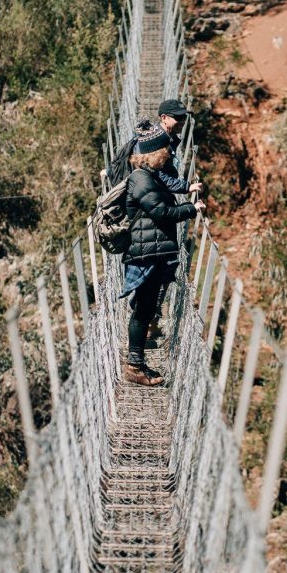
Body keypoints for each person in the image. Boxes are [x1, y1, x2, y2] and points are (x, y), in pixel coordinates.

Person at [119, 122, 204, 385]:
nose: (169, 153)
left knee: (145, 308)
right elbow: (161, 213)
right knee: (143, 310)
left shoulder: (150, 175)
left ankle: (137, 363)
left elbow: (166, 194)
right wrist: (191, 209)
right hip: (146, 253)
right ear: (156, 153)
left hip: (152, 251)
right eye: (166, 150)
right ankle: (134, 366)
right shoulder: (141, 179)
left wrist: (186, 189)